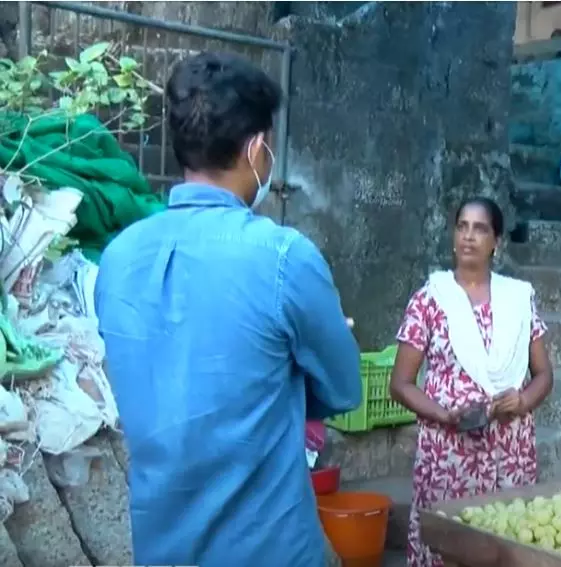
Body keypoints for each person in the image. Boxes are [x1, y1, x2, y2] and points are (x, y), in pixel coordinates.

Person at [94, 52, 361, 567]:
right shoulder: (284, 257)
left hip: (160, 548)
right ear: (256, 148)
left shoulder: (118, 257)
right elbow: (345, 390)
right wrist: (290, 364)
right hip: (270, 550)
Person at [390, 197, 554, 567]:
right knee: (447, 545)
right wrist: (446, 415)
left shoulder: (517, 300)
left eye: (480, 229)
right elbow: (400, 383)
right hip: (448, 454)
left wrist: (523, 401)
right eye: (462, 226)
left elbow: (544, 375)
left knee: (506, 543)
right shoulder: (430, 300)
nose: (468, 236)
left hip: (510, 452)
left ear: (496, 241)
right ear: (452, 236)